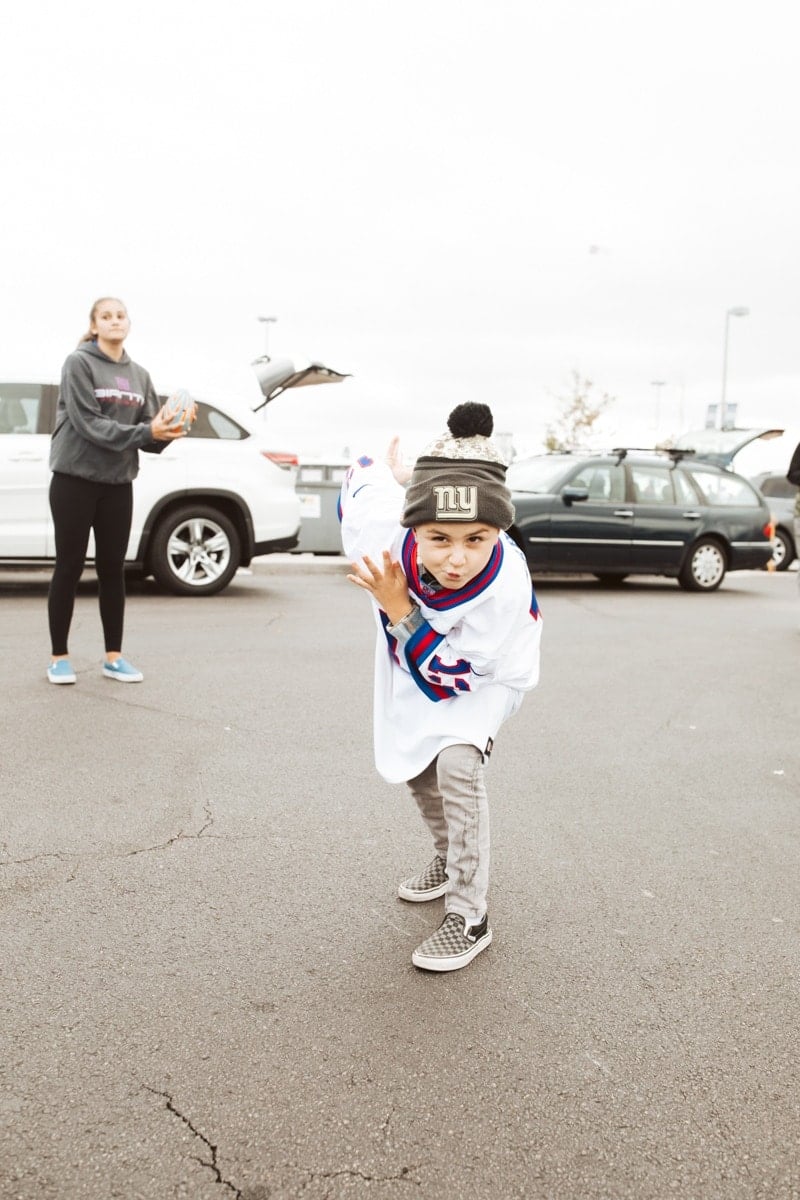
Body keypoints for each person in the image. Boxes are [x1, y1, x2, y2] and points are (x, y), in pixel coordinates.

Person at [340, 402, 542, 972]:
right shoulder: (385, 529)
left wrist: (400, 607)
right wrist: (402, 478)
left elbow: (457, 676)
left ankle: (469, 912)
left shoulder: (504, 583)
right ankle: (447, 852)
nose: (457, 559)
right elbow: (359, 480)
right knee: (414, 764)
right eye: (439, 537)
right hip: (414, 662)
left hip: (484, 673)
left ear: (499, 531)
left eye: (476, 539)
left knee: (456, 762)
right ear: (412, 526)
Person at [46, 297, 190, 685]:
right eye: (105, 316)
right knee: (69, 567)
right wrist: (149, 431)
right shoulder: (78, 363)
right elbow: (89, 423)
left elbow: (150, 437)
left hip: (117, 484)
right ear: (94, 326)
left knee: (113, 570)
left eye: (120, 316)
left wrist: (172, 430)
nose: (114, 321)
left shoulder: (140, 375)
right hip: (74, 481)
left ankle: (114, 657)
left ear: (129, 324)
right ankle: (59, 657)